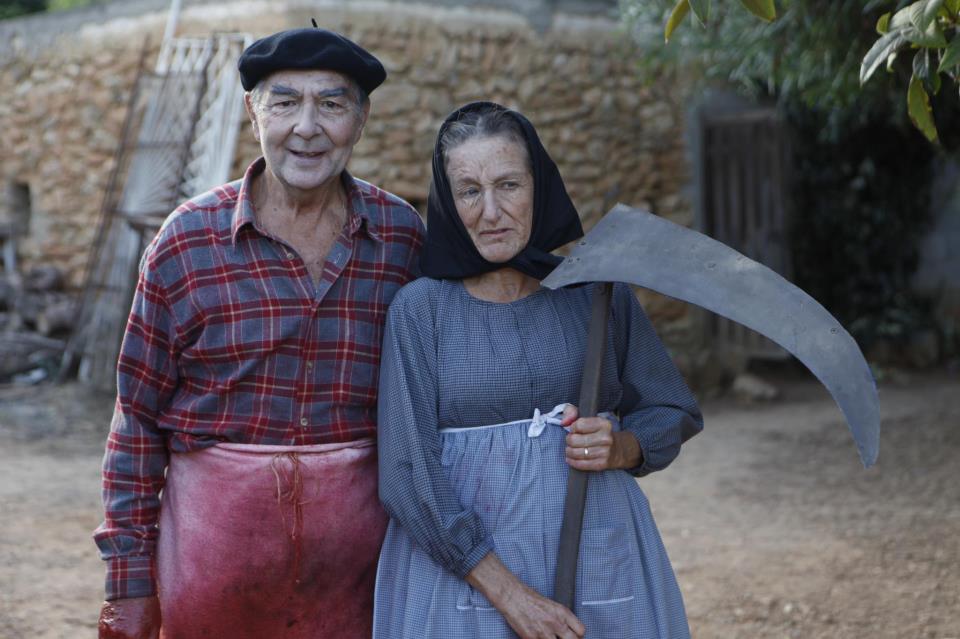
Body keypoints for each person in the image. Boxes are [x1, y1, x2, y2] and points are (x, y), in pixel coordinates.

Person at [94, 26, 424, 639]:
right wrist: (129, 583)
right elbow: (136, 420)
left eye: (332, 104)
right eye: (284, 102)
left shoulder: (403, 239)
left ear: (362, 118)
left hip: (361, 581)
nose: (307, 127)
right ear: (252, 111)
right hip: (212, 573)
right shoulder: (186, 242)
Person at [374, 101, 703, 639]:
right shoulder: (420, 311)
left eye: (509, 185)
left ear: (540, 186)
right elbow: (407, 473)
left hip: (599, 552)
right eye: (469, 191)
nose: (490, 212)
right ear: (447, 200)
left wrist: (622, 446)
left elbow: (672, 407)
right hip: (465, 578)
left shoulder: (595, 295)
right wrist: (511, 596)